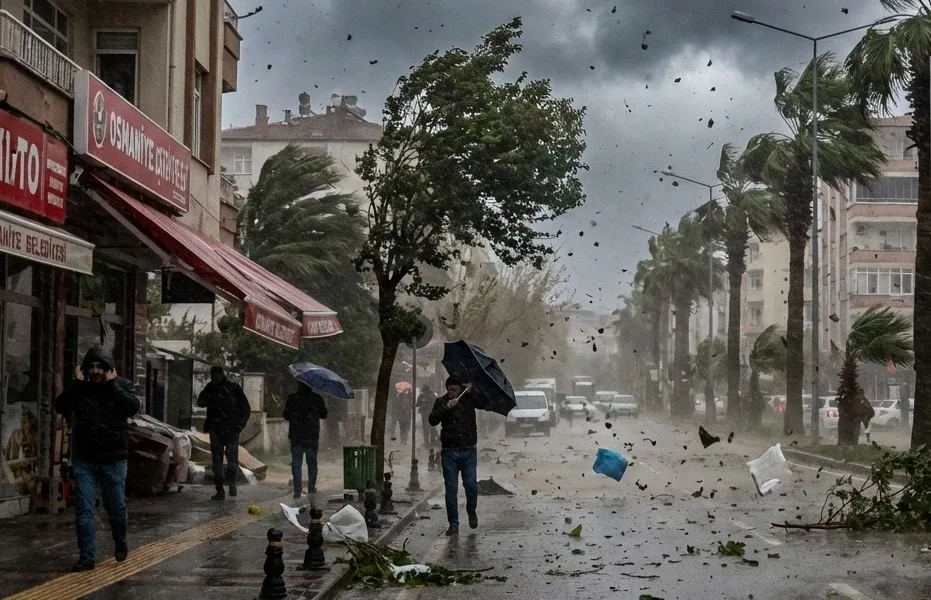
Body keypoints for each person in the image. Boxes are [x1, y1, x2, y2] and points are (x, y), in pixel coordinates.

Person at [54, 345, 140, 572]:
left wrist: (112, 386)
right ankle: (87, 557)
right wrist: (76, 385)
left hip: (114, 459)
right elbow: (60, 406)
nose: (95, 371)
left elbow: (132, 408)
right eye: (91, 367)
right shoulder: (81, 389)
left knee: (116, 507)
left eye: (99, 367)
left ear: (108, 368)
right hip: (85, 460)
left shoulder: (122, 386)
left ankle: (120, 541)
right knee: (84, 508)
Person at [428, 377, 490, 536]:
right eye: (449, 390)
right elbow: (432, 420)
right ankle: (453, 523)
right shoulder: (441, 402)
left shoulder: (468, 400)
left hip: (468, 450)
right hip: (449, 452)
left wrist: (472, 391)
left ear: (460, 389)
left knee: (470, 484)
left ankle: (471, 510)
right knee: (451, 488)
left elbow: (484, 402)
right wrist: (446, 408)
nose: (451, 393)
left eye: (455, 389)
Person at [197, 366, 250, 501]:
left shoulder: (233, 388)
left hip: (231, 429)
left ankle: (231, 484)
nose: (213, 378)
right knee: (217, 461)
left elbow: (246, 408)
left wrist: (240, 425)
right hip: (217, 429)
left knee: (231, 460)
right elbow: (200, 402)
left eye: (215, 376)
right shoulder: (211, 388)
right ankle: (220, 489)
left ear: (221, 374)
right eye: (212, 376)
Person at [283, 383, 328, 503]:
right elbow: (324, 415)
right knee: (312, 463)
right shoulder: (317, 399)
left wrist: (296, 417)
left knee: (296, 463)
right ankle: (311, 488)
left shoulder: (292, 398)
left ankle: (297, 491)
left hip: (296, 436)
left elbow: (286, 415)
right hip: (311, 436)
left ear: (298, 386)